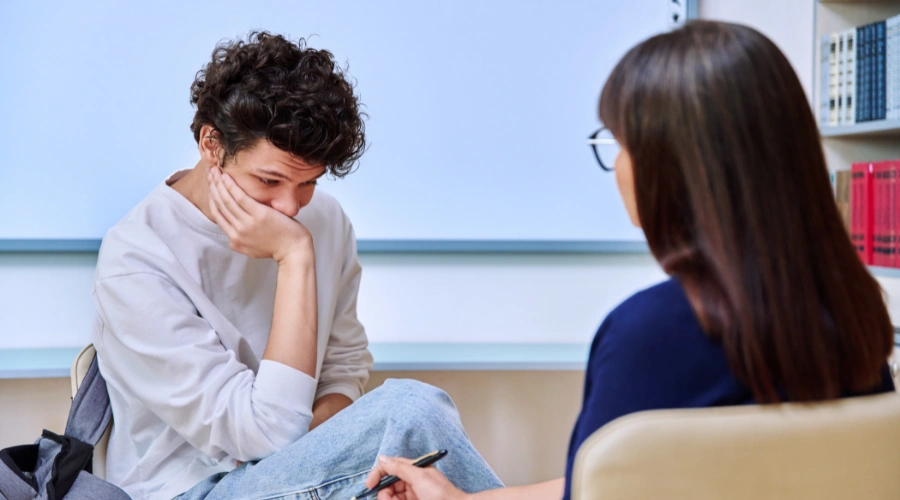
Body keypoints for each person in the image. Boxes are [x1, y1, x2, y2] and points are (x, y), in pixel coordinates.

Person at [363, 20, 897, 500]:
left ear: (674, 165)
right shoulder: (853, 315)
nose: (617, 163)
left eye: (621, 140)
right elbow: (620, 485)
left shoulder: (653, 334)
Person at [91, 32, 502, 499]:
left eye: (308, 183)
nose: (289, 207)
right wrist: (294, 258)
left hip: (295, 466)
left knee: (413, 459)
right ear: (211, 144)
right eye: (270, 180)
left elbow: (343, 369)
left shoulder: (324, 220)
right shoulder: (138, 259)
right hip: (189, 489)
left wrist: (319, 441)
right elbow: (260, 435)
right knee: (412, 410)